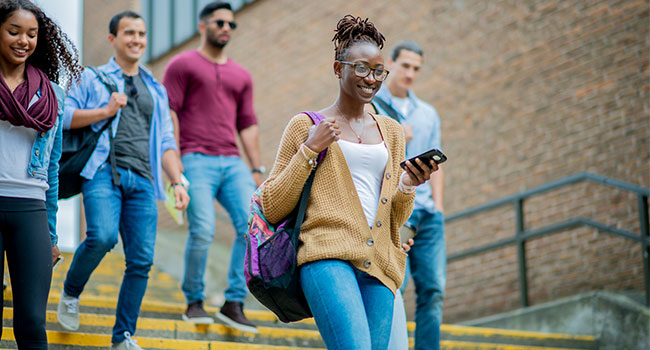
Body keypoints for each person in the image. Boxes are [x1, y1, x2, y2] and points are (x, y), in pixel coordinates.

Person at [260, 15, 438, 350]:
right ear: (338, 68)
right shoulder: (306, 125)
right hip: (327, 258)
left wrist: (408, 185)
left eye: (378, 71)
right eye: (361, 68)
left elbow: (396, 220)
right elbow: (272, 205)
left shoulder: (393, 131)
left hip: (381, 266)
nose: (371, 78)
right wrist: (310, 149)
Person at [56, 10, 189, 349]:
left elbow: (165, 142)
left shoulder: (155, 89)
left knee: (142, 260)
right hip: (103, 171)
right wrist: (105, 111)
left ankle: (123, 337)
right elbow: (65, 117)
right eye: (129, 33)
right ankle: (71, 291)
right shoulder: (91, 78)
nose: (137, 40)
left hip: (143, 179)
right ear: (112, 38)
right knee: (101, 236)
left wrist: (176, 181)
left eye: (142, 34)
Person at [162, 1, 262, 332]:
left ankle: (233, 302)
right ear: (203, 25)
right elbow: (170, 113)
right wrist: (174, 160)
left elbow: (247, 123)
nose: (227, 29)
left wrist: (256, 168)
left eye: (232, 25)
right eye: (220, 22)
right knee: (203, 228)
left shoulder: (241, 75)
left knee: (250, 226)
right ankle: (194, 301)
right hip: (195, 158)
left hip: (233, 162)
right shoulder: (181, 64)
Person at [0, 0, 81, 348]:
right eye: (13, 31)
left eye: (31, 34)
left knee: (32, 321)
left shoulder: (52, 95)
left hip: (30, 210)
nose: (24, 40)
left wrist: (50, 233)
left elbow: (51, 169)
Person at [371, 40, 446, 350]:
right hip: (398, 206)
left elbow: (438, 166)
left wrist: (439, 207)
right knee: (393, 284)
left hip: (428, 211)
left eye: (416, 69)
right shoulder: (372, 105)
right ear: (391, 62)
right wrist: (398, 133)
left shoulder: (428, 113)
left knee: (433, 290)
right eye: (405, 66)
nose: (410, 74)